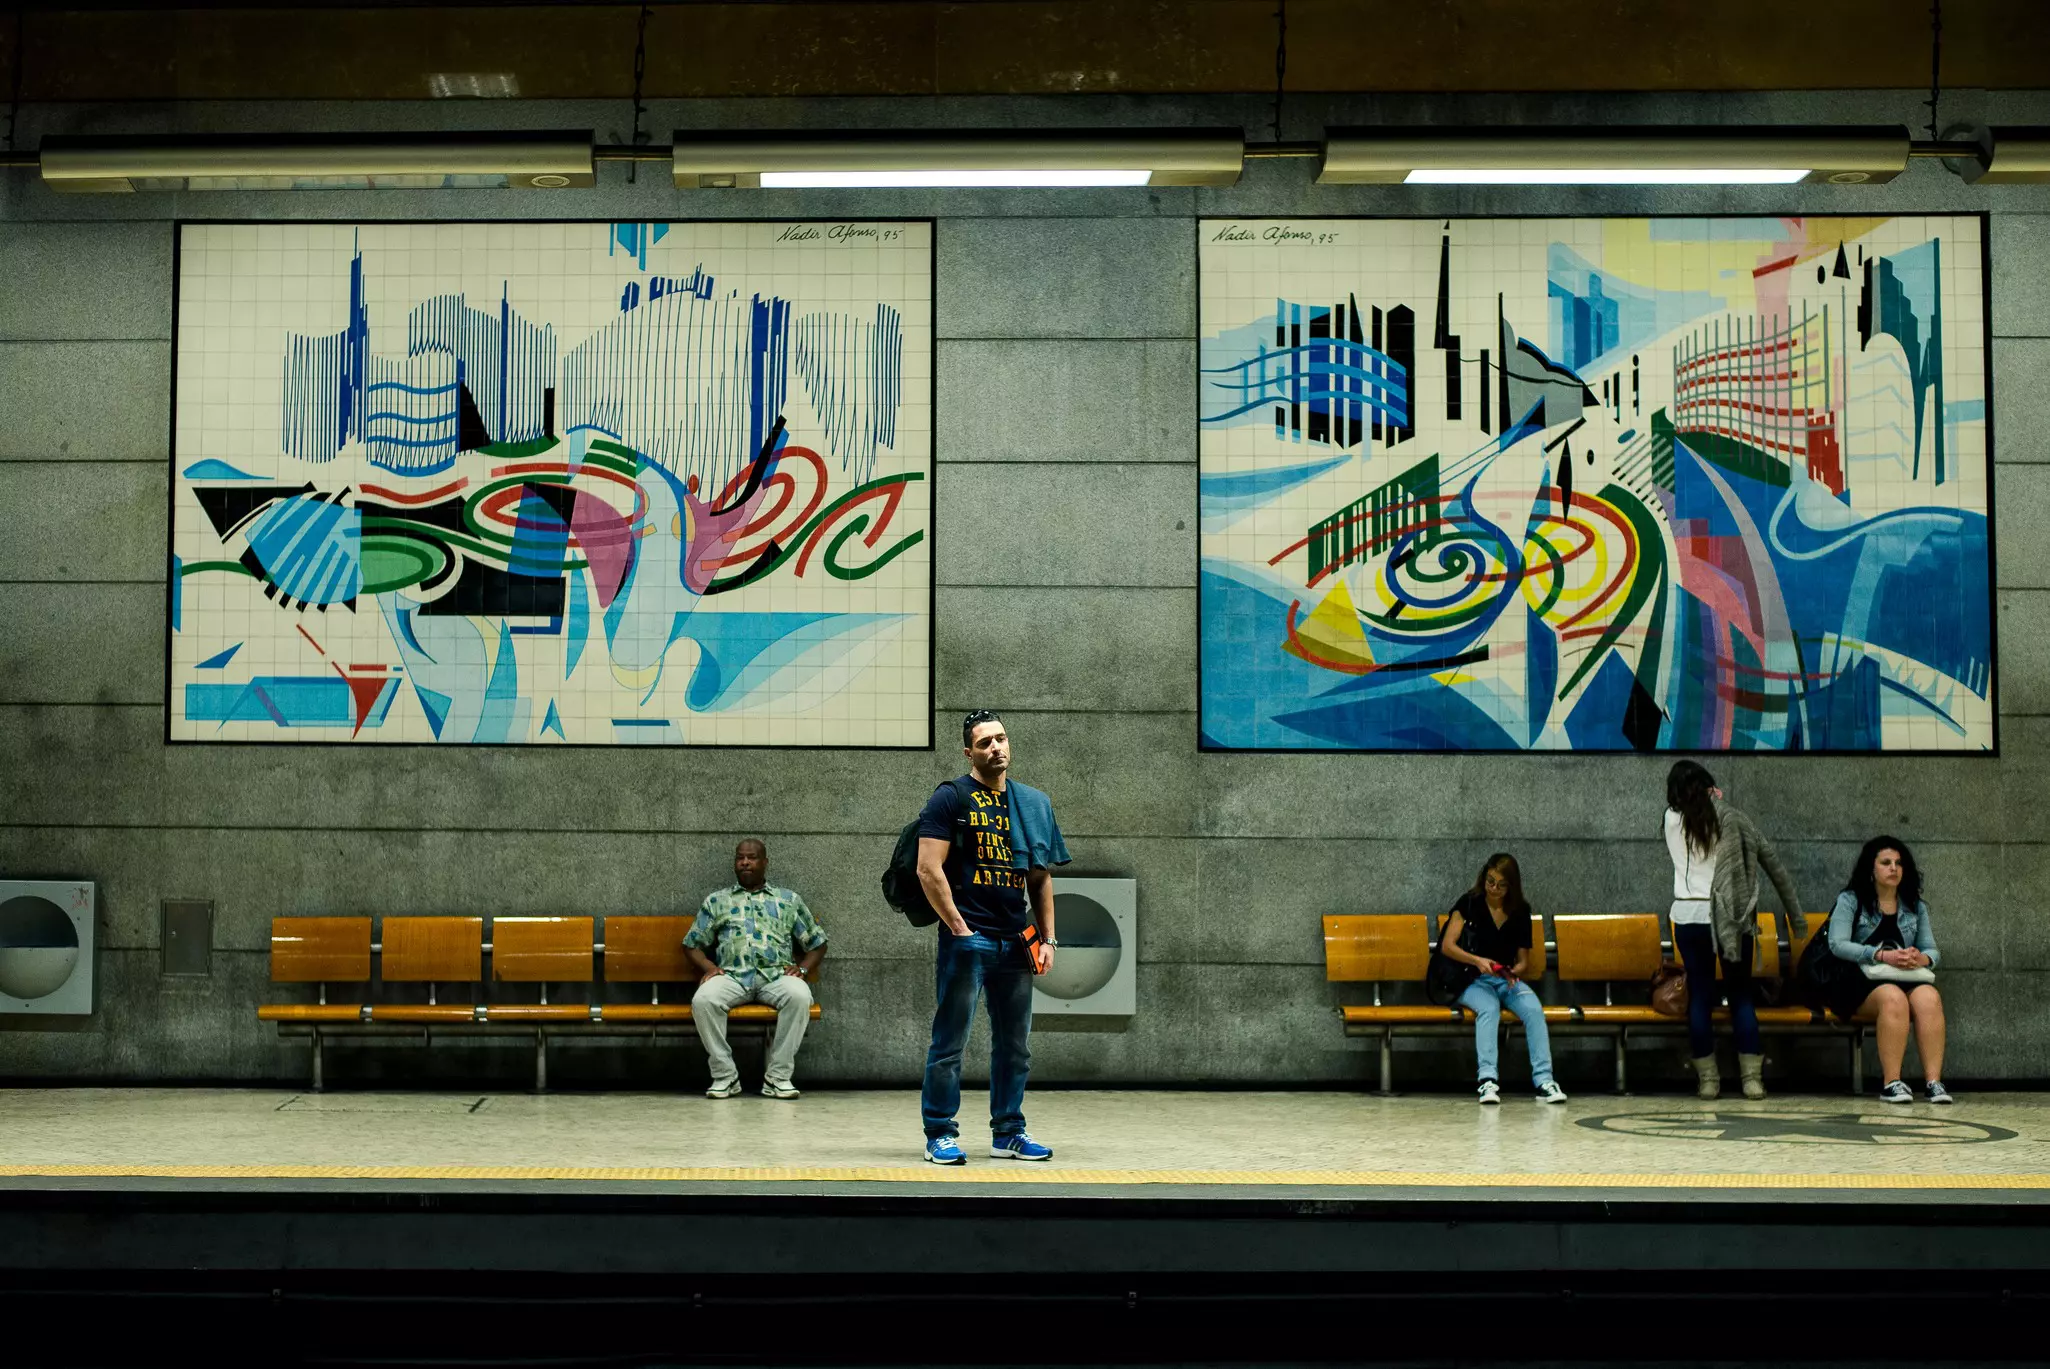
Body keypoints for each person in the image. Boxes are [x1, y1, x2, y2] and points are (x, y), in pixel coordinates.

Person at [914, 710, 1069, 1164]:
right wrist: (959, 928)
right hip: (969, 940)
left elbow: (1039, 877)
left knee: (1016, 1047)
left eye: (1001, 738)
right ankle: (939, 1133)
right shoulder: (951, 797)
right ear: (969, 752)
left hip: (1016, 941)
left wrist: (1048, 939)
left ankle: (1008, 1132)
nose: (995, 747)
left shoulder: (1032, 803)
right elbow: (928, 868)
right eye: (984, 742)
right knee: (949, 1044)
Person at [1663, 760, 1806, 1101]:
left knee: (1700, 996)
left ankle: (1708, 1081)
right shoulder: (1728, 818)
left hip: (1687, 915)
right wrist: (1796, 917)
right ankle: (1751, 1080)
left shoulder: (1669, 818)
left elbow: (1689, 809)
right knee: (1741, 995)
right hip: (1729, 916)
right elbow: (1773, 865)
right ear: (1709, 787)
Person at [684, 838, 828, 1100]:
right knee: (703, 1000)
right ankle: (725, 1076)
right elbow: (691, 944)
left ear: (765, 862)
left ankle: (778, 1077)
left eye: (751, 858)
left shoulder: (788, 900)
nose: (745, 863)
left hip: (776, 976)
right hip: (732, 976)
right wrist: (708, 967)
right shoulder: (717, 901)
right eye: (740, 858)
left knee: (799, 995)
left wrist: (804, 970)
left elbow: (817, 943)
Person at [1823, 836, 1950, 1104]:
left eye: (1899, 863)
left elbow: (1932, 950)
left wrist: (1920, 958)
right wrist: (1880, 954)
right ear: (1871, 869)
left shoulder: (1915, 906)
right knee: (1893, 998)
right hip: (1856, 979)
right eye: (1886, 863)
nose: (1894, 868)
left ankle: (1933, 1083)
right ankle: (1891, 1083)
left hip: (1902, 975)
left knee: (1929, 998)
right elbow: (1837, 944)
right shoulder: (1851, 900)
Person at [1440, 854, 1567, 1105]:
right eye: (1490, 881)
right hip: (1471, 979)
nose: (1494, 888)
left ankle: (1544, 1080)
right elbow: (1447, 946)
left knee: (1533, 1009)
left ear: (1511, 886)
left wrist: (1513, 972)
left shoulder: (1520, 910)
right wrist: (1477, 961)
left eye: (1501, 885)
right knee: (1488, 1009)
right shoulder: (1469, 903)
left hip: (1504, 979)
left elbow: (1523, 961)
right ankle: (1487, 1080)